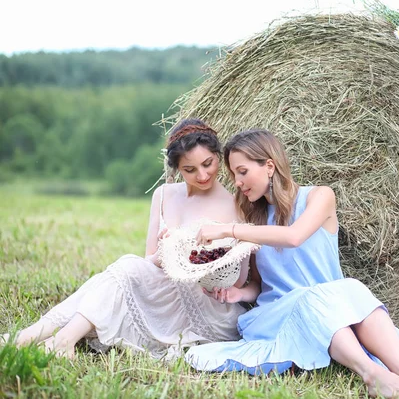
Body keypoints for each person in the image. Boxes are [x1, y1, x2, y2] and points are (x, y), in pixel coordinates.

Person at [187, 129, 399, 399]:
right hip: (278, 314)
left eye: (242, 171)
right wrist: (238, 293)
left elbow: (294, 236)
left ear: (269, 166)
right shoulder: (253, 219)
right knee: (313, 299)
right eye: (233, 175)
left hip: (332, 310)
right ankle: (373, 375)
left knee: (349, 288)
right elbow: (260, 285)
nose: (238, 182)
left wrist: (229, 230)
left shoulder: (319, 197)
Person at [6, 119, 249, 359]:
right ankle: (46, 338)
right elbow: (149, 262)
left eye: (208, 163)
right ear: (177, 169)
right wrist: (167, 251)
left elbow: (239, 280)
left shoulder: (237, 207)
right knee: (124, 272)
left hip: (208, 305)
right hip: (164, 291)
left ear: (219, 156)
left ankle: (46, 338)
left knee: (123, 270)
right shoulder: (163, 194)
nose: (203, 175)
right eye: (189, 170)